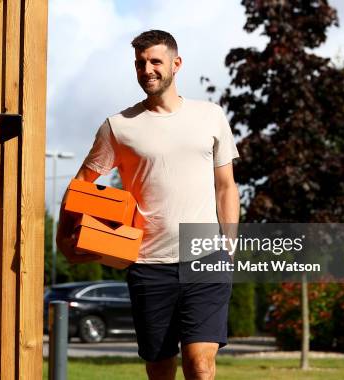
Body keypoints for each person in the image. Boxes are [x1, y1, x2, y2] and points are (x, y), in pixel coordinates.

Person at [56, 30, 240, 380]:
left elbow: (226, 185)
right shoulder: (119, 127)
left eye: (155, 61)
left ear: (176, 63)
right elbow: (80, 186)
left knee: (200, 365)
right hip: (147, 264)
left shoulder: (210, 116)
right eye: (140, 63)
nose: (147, 70)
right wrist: (64, 239)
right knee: (159, 368)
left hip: (205, 259)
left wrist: (228, 248)